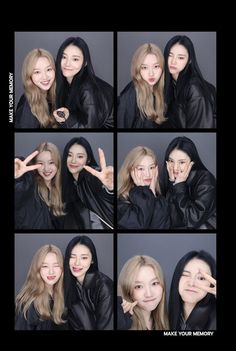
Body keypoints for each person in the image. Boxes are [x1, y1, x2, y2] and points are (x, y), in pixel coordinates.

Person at [54, 36, 114, 128]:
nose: (67, 64)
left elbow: (89, 127)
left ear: (85, 62)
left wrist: (68, 118)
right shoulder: (66, 82)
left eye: (75, 59)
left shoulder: (88, 89)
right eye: (64, 57)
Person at [161, 136, 216, 229]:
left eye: (181, 162)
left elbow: (192, 219)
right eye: (171, 161)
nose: (175, 168)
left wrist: (179, 186)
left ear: (192, 162)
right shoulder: (172, 179)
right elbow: (170, 219)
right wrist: (173, 184)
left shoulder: (206, 179)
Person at [164, 35, 216, 128]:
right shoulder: (171, 83)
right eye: (170, 55)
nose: (173, 61)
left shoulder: (194, 88)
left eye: (180, 58)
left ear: (190, 60)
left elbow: (201, 126)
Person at [61, 137, 114, 229]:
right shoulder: (71, 183)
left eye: (80, 156)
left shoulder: (91, 176)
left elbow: (104, 190)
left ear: (88, 160)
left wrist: (110, 188)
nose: (73, 161)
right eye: (69, 155)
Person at [64, 235, 113, 330]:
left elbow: (106, 326)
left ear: (92, 260)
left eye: (84, 258)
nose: (77, 263)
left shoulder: (104, 286)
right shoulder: (68, 283)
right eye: (72, 257)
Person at [15, 244, 67, 330]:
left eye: (56, 265)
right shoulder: (28, 304)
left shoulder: (63, 295)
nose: (51, 271)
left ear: (62, 268)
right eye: (45, 266)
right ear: (37, 269)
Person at [15, 142, 65, 229]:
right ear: (34, 164)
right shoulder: (29, 184)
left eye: (51, 162)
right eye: (41, 163)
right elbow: (18, 193)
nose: (46, 168)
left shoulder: (62, 189)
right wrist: (17, 178)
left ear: (58, 163)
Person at [117, 146, 170, 229]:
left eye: (151, 168)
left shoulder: (160, 200)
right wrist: (144, 192)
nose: (148, 174)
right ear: (130, 171)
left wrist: (151, 195)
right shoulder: (121, 201)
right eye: (141, 169)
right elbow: (138, 227)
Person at [15, 48, 69, 128]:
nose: (45, 77)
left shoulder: (56, 94)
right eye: (37, 72)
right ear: (29, 76)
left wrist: (65, 118)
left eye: (48, 69)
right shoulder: (27, 108)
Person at [117, 43, 167, 128]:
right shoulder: (131, 95)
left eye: (156, 66)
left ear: (162, 68)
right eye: (144, 67)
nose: (151, 73)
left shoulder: (160, 90)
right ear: (137, 69)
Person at [117, 255, 169, 330]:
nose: (149, 294)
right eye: (138, 286)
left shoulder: (168, 321)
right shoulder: (122, 324)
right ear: (127, 291)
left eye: (154, 283)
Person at [168, 250, 216, 330]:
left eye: (201, 278)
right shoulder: (164, 318)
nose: (191, 283)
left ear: (211, 284)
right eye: (185, 275)